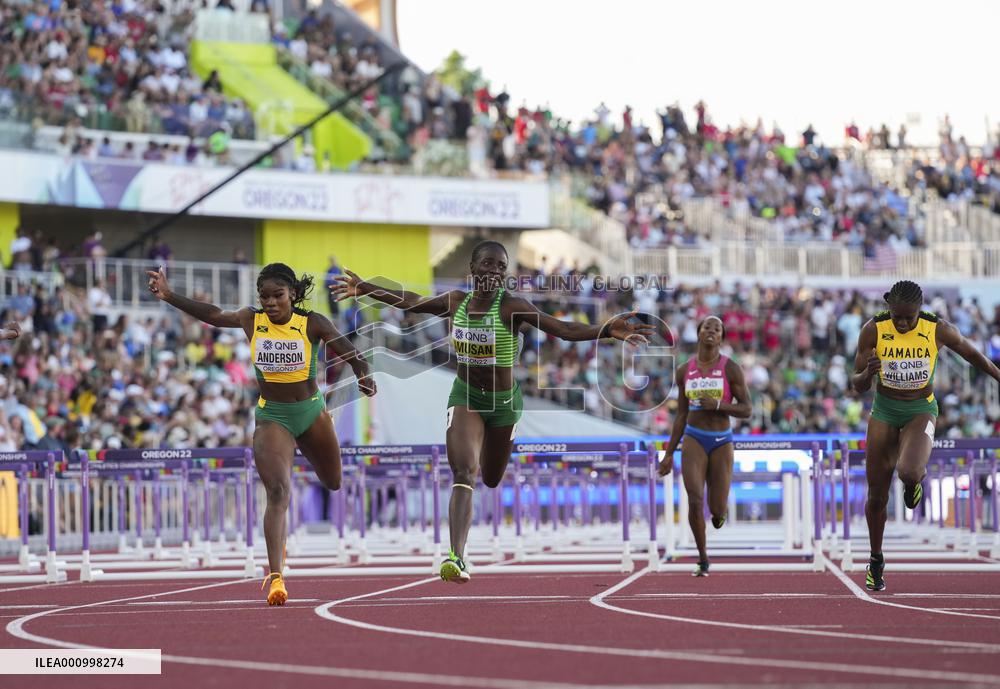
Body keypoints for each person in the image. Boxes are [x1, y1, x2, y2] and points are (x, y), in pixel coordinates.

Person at [331, 240, 653, 583]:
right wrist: (363, 287)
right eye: (487, 264)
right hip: (466, 397)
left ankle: (485, 468)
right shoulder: (457, 301)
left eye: (501, 266)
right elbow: (413, 301)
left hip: (504, 406)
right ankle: (456, 556)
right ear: (472, 268)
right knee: (463, 472)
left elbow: (562, 328)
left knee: (492, 477)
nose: (494, 271)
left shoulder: (512, 307)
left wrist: (605, 330)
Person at [147, 263, 375, 605]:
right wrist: (168, 296)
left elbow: (352, 353)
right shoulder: (251, 320)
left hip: (311, 413)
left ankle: (284, 535)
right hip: (273, 417)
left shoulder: (311, 323)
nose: (270, 302)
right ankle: (276, 576)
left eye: (277, 296)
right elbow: (211, 314)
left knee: (334, 482)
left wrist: (363, 374)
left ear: (292, 295)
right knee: (278, 492)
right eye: (264, 296)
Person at [851, 280, 1000, 592]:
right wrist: (868, 373)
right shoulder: (873, 329)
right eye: (898, 317)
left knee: (909, 472)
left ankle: (912, 484)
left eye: (909, 317)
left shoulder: (937, 329)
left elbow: (972, 354)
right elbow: (858, 384)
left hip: (921, 408)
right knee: (876, 495)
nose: (903, 323)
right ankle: (876, 559)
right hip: (884, 410)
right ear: (888, 306)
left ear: (921, 310)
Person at [657, 316, 752, 577]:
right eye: (707, 327)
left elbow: (747, 409)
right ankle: (702, 557)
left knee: (717, 507)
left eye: (717, 329)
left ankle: (719, 514)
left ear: (721, 337)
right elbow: (681, 415)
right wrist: (668, 455)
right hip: (694, 437)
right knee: (695, 500)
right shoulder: (684, 371)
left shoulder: (731, 369)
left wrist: (719, 405)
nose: (711, 331)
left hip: (721, 441)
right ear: (698, 334)